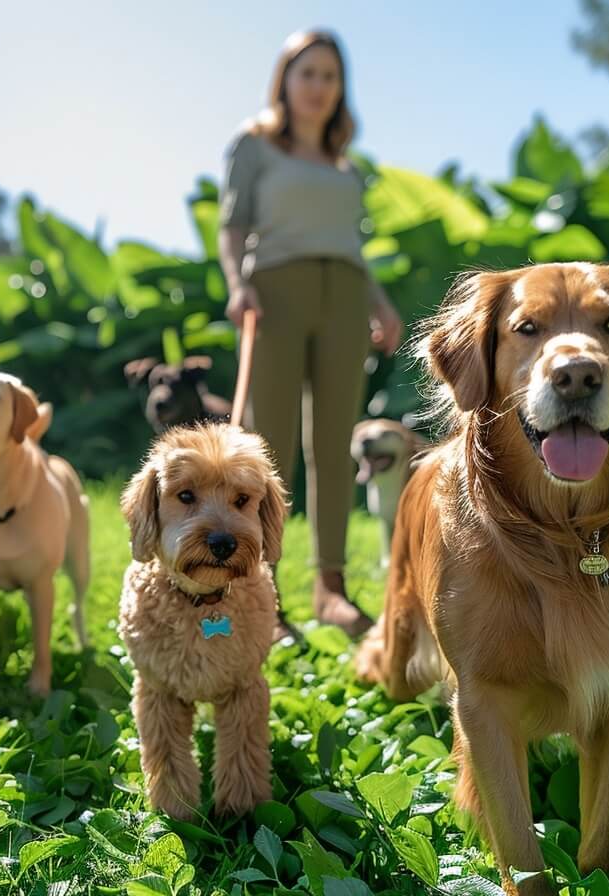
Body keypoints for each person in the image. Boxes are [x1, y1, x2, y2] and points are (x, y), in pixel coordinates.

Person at [218, 28, 403, 638]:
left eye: (330, 76)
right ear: (285, 80)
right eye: (308, 73)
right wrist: (236, 283)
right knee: (266, 446)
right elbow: (232, 226)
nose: (319, 87)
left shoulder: (347, 168)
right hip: (275, 290)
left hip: (345, 298)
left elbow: (349, 244)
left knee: (334, 446)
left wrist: (378, 303)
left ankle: (331, 589)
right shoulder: (255, 146)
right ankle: (257, 592)